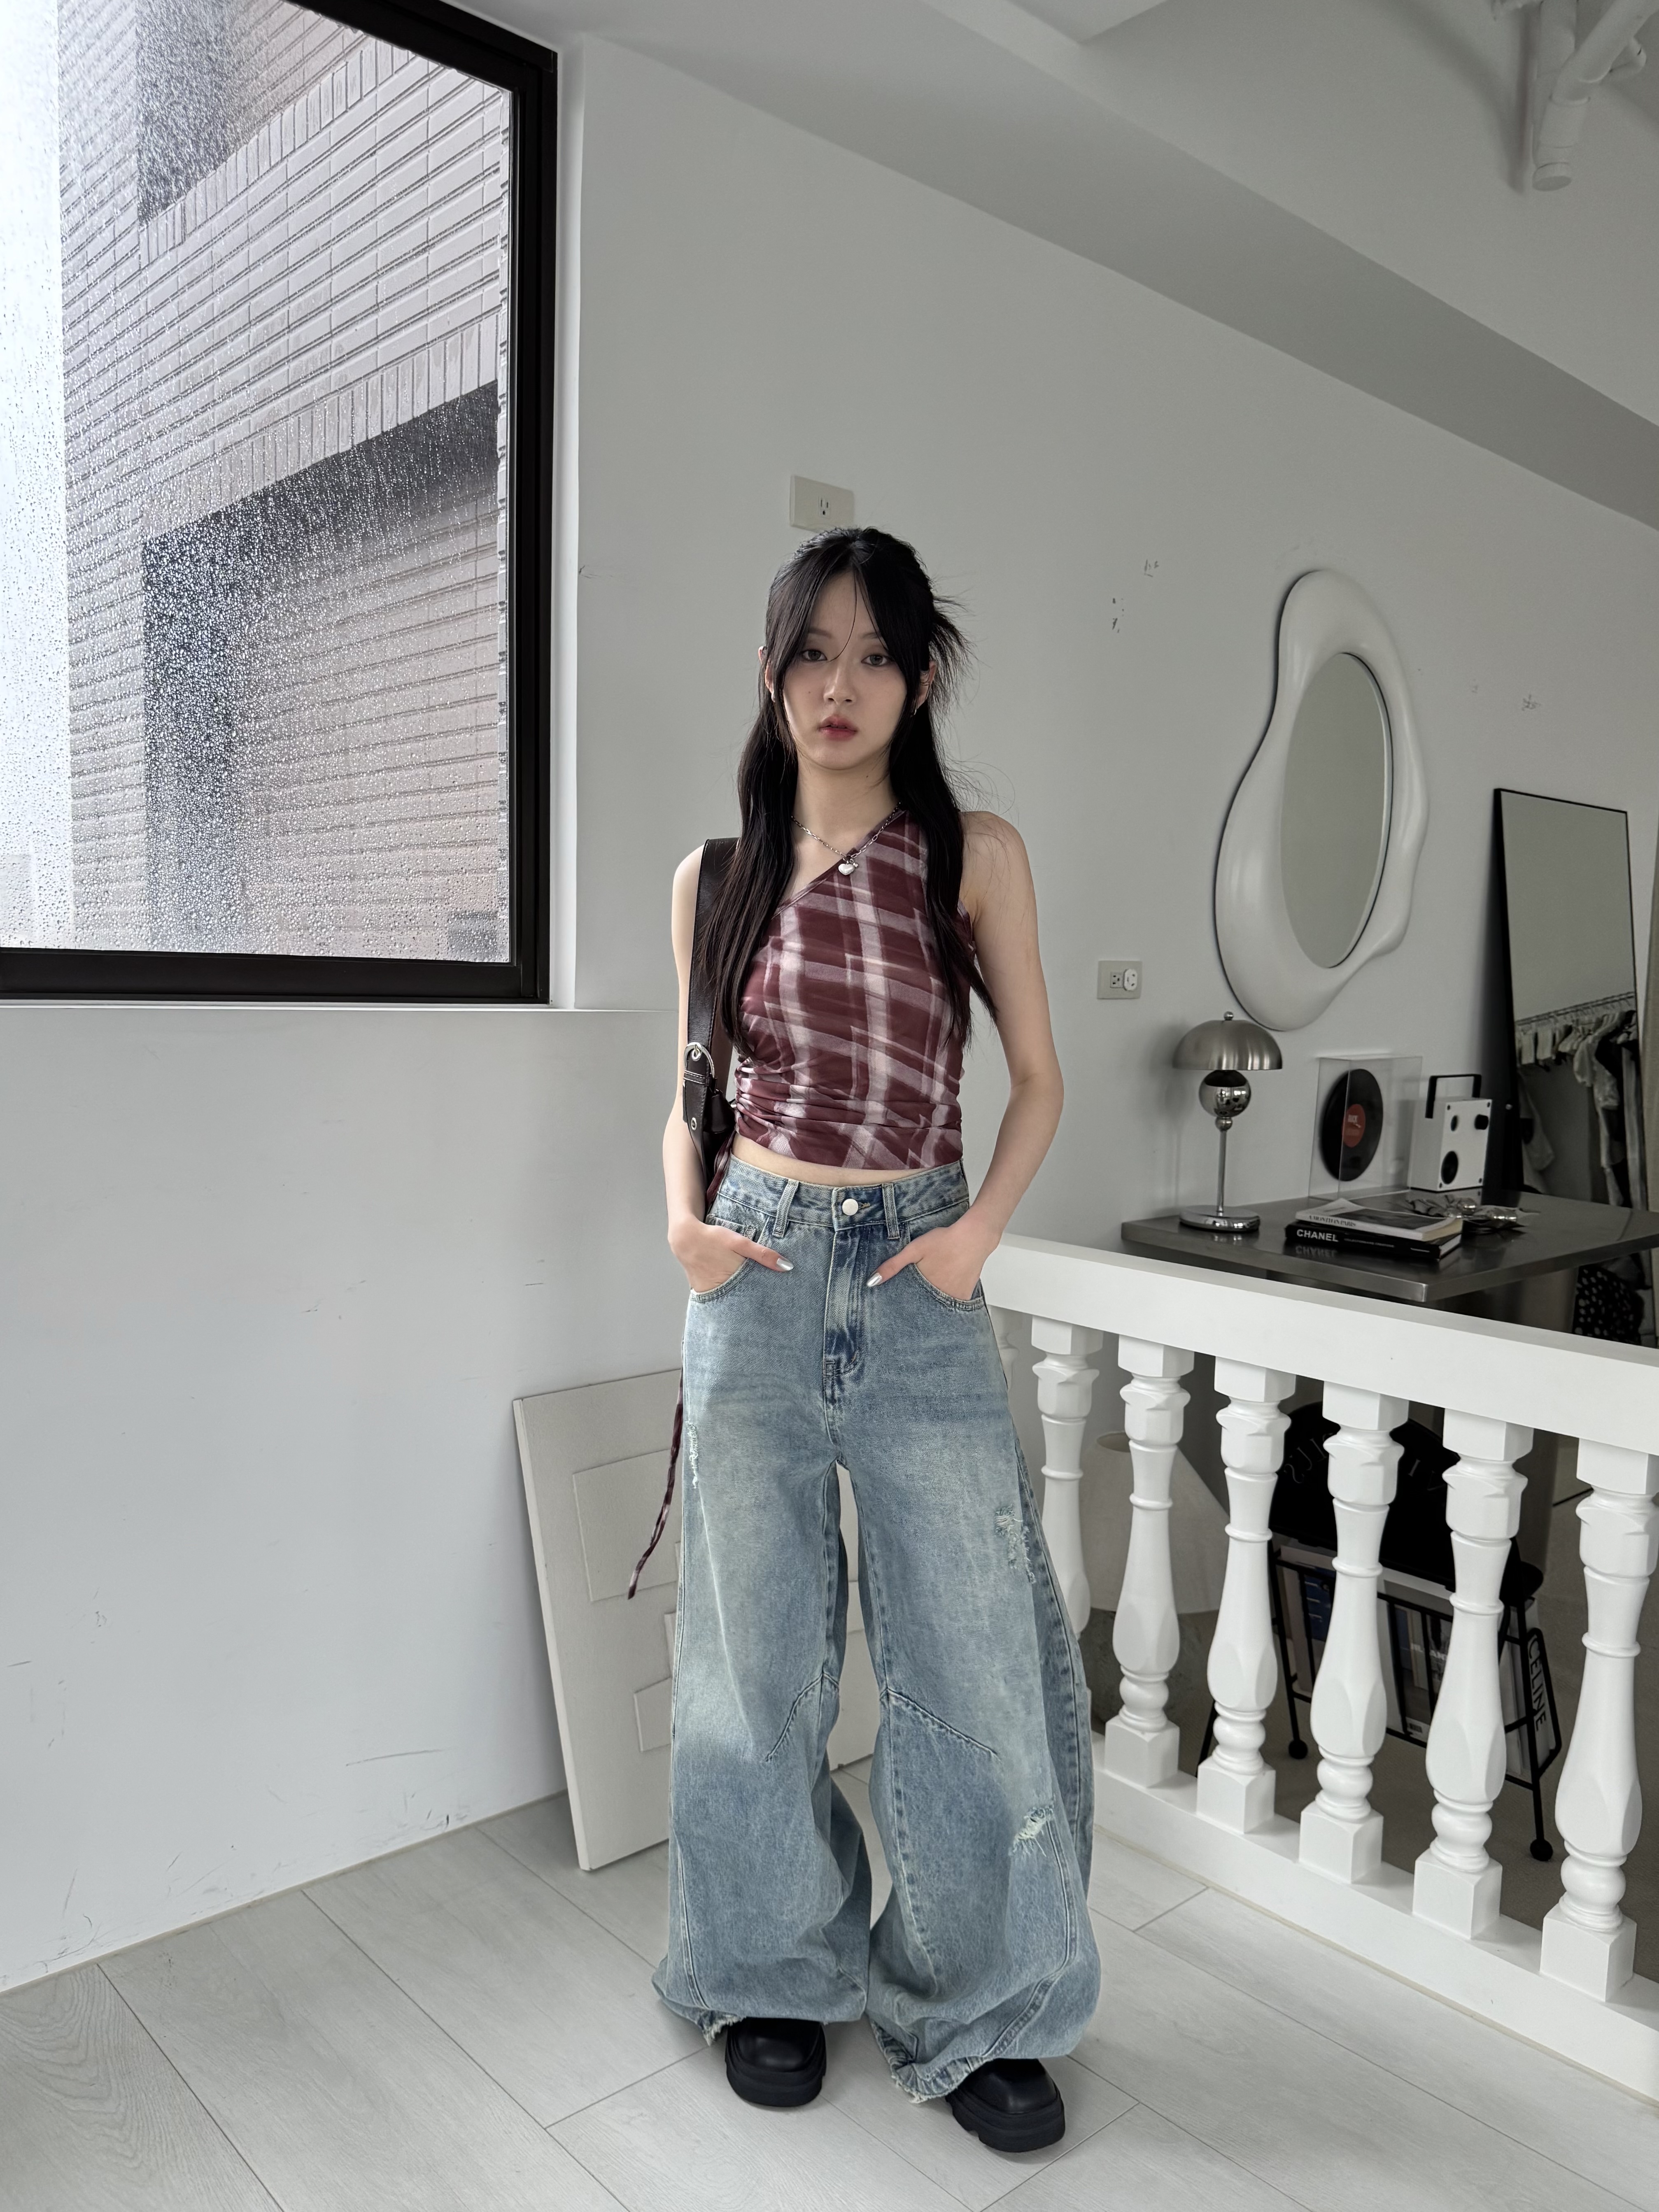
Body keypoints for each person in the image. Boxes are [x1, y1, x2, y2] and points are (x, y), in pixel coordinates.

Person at [654, 526, 1099, 2154]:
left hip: (919, 1281)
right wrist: (686, 1225)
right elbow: (689, 1094)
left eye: (875, 656)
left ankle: (983, 2002)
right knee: (752, 1652)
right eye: (812, 652)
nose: (839, 686)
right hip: (754, 1274)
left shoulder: (970, 856)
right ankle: (771, 1969)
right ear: (773, 671)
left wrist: (974, 1240)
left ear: (919, 681)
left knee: (969, 1655)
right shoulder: (716, 877)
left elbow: (1039, 1078)